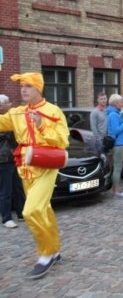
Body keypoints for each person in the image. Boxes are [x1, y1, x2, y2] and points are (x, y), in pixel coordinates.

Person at [0, 73, 69, 279]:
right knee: (45, 210)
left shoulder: (52, 111)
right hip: (26, 166)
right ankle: (55, 249)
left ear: (39, 89)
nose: (24, 89)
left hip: (46, 165)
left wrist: (40, 125)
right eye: (22, 86)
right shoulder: (17, 112)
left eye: (28, 86)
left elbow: (61, 141)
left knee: (31, 211)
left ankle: (45, 254)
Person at [0, 94, 25, 229]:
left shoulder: (11, 118)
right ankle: (6, 218)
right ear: (1, 106)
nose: (11, 104)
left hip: (15, 158)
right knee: (6, 190)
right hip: (3, 160)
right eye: (8, 103)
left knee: (18, 187)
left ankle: (21, 213)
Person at [107, 94, 123, 198]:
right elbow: (116, 130)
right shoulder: (114, 115)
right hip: (118, 144)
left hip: (118, 144)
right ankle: (116, 191)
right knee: (118, 168)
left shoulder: (114, 113)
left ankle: (115, 189)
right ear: (116, 104)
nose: (122, 104)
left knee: (116, 167)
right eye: (120, 102)